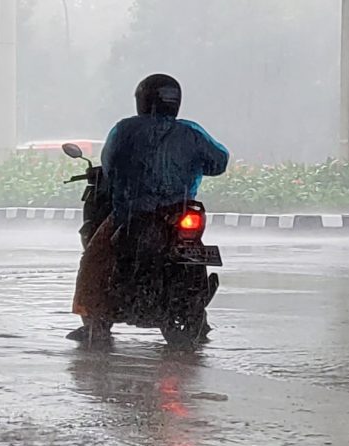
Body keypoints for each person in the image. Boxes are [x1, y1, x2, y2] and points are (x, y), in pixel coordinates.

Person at [71, 73, 230, 344]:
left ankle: (94, 324)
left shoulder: (125, 130)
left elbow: (110, 164)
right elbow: (219, 161)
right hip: (178, 215)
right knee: (194, 249)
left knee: (94, 258)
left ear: (142, 100)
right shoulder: (191, 132)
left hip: (132, 214)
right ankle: (197, 314)